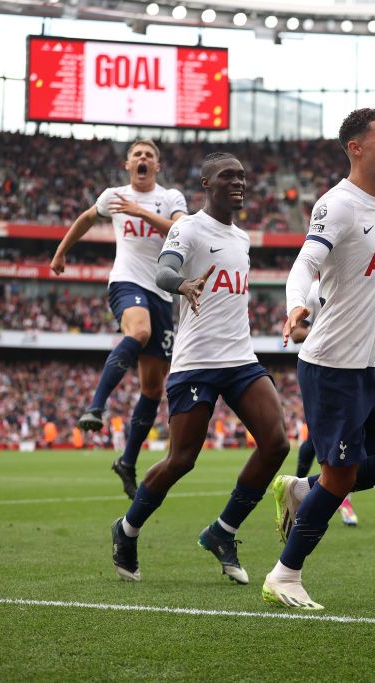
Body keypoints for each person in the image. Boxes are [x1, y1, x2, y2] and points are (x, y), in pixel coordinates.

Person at [262, 108, 375, 611]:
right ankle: (285, 575)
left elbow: (369, 295)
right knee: (341, 476)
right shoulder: (338, 204)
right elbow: (304, 264)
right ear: (356, 147)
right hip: (331, 365)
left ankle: (301, 488)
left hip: (370, 369)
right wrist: (295, 307)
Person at [109, 152, 290, 585]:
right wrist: (183, 283)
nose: (238, 182)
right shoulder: (186, 227)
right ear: (206, 183)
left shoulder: (243, 239)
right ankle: (127, 529)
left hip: (241, 359)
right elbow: (164, 271)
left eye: (242, 176)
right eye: (228, 175)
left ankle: (222, 532)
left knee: (277, 444)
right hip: (195, 364)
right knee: (181, 460)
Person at [51, 140, 187, 499]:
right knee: (138, 330)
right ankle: (96, 405)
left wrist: (140, 213)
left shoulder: (170, 197)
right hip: (127, 282)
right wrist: (62, 251)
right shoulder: (114, 195)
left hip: (162, 294)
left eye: (149, 156)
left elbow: (180, 230)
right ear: (128, 164)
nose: (143, 159)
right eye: (137, 155)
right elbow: (86, 218)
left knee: (153, 389)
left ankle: (127, 461)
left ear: (157, 166)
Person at [281, 279, 359, 529]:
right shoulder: (314, 289)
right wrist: (326, 331)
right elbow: (295, 333)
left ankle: (302, 490)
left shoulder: (359, 282)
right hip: (323, 370)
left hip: (357, 368)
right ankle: (323, 495)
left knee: (348, 438)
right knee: (325, 439)